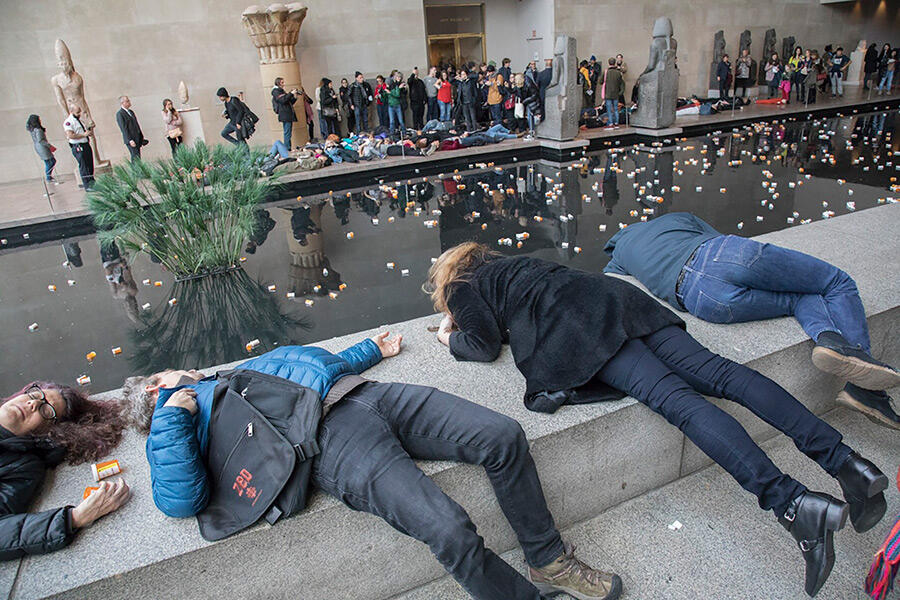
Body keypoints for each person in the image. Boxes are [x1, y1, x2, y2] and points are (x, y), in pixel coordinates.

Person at [427, 242, 889, 598]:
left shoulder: (460, 286)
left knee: (679, 404)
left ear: (449, 272)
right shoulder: (515, 263)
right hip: (615, 300)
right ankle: (847, 463)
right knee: (724, 374)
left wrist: (450, 336)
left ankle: (793, 504)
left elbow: (484, 345)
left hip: (578, 328)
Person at [122, 334, 622, 600]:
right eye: (166, 374)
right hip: (329, 441)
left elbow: (308, 366)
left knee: (502, 435)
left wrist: (369, 352)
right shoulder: (183, 411)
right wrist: (170, 416)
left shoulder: (226, 376)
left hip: (368, 394)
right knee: (447, 527)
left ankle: (549, 560)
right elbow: (178, 498)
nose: (180, 370)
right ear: (152, 387)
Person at [602, 212, 900, 430]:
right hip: (720, 257)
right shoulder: (673, 219)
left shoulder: (621, 258)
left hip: (702, 300)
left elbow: (611, 283)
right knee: (837, 282)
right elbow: (721, 240)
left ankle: (831, 342)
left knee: (797, 298)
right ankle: (858, 367)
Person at [0, 381, 130, 560]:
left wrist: (72, 519)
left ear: (47, 432)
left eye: (45, 410)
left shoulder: (21, 466)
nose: (32, 404)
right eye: (34, 395)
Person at [63, 103, 95, 189]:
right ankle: (87, 185)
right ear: (71, 111)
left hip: (85, 144)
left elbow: (84, 131)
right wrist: (84, 135)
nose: (79, 114)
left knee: (90, 164)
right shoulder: (68, 122)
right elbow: (70, 135)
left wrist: (89, 131)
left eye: (79, 112)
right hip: (78, 146)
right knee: (84, 165)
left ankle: (92, 182)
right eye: (77, 112)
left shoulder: (79, 120)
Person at [26, 115, 56, 183]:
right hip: (42, 147)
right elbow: (41, 140)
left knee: (49, 162)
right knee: (51, 161)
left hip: (38, 147)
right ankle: (48, 177)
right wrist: (50, 146)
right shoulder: (38, 130)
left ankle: (49, 176)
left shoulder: (32, 129)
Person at [115, 96, 146, 162]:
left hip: (137, 138)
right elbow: (123, 128)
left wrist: (141, 136)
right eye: (127, 101)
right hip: (131, 139)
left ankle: (139, 171)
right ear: (122, 103)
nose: (129, 102)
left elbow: (136, 124)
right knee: (135, 156)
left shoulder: (131, 112)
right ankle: (135, 171)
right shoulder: (120, 114)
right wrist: (130, 140)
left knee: (138, 156)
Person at [271, 77, 298, 149]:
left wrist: (294, 96)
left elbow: (289, 102)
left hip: (287, 113)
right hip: (285, 114)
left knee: (288, 132)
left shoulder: (281, 91)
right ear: (278, 83)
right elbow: (283, 100)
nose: (284, 84)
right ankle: (287, 148)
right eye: (282, 82)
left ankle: (288, 147)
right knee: (287, 132)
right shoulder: (276, 91)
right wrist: (290, 93)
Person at [602, 58, 623, 127]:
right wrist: (620, 92)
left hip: (608, 94)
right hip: (616, 94)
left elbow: (600, 81)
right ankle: (616, 122)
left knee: (609, 109)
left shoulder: (606, 72)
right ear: (615, 63)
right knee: (616, 109)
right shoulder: (618, 73)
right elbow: (621, 83)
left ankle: (610, 123)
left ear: (609, 63)